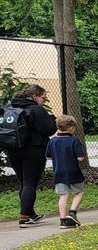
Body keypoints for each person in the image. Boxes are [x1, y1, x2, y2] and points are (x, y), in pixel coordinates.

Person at [2, 84, 57, 227]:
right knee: (30, 183)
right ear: (34, 96)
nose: (43, 101)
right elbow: (49, 129)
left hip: (13, 150)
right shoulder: (35, 109)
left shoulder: (10, 107)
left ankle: (30, 214)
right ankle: (25, 217)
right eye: (43, 98)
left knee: (24, 182)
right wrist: (52, 120)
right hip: (33, 150)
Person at [46, 114, 88, 228]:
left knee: (63, 195)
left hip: (58, 172)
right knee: (80, 191)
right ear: (71, 128)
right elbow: (80, 158)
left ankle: (63, 220)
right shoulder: (74, 141)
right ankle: (72, 213)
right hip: (73, 171)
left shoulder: (52, 141)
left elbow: (48, 157)